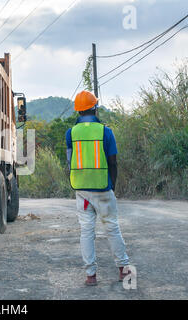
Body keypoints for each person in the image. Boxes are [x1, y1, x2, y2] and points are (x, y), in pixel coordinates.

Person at [65, 90, 130, 286]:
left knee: (86, 231)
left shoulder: (71, 133)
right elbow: (113, 162)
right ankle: (124, 271)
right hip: (103, 188)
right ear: (94, 107)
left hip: (82, 190)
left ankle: (91, 276)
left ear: (78, 111)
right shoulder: (105, 132)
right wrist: (113, 186)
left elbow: (70, 162)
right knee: (112, 228)